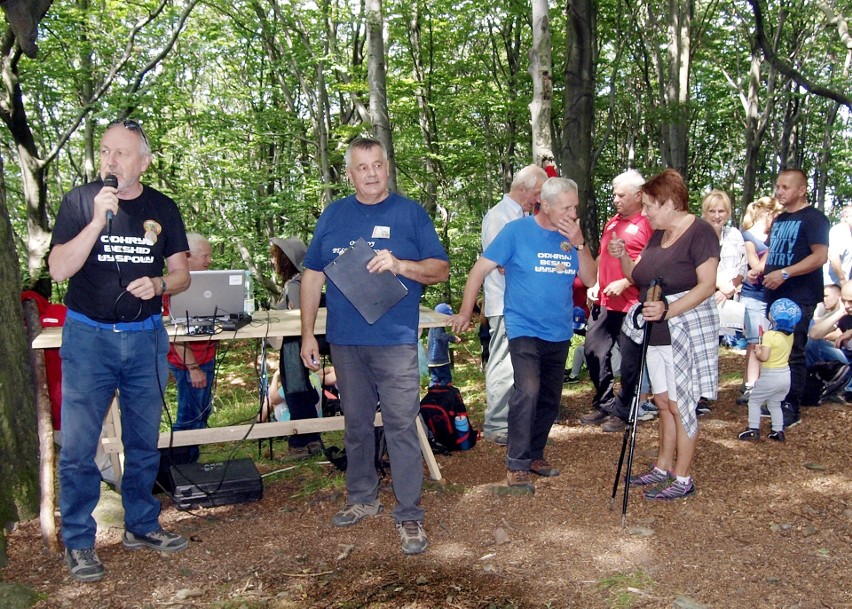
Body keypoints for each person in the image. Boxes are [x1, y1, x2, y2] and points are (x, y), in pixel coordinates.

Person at [49, 119, 191, 582]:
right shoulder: (79, 201)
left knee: (143, 440)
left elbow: (182, 276)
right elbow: (58, 269)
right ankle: (78, 541)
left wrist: (159, 284)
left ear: (143, 161)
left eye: (121, 153)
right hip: (89, 337)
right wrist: (95, 220)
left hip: (146, 336)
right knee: (78, 446)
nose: (110, 161)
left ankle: (142, 525)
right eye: (106, 152)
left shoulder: (163, 208)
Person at [299, 137, 449, 555]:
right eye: (362, 167)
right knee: (357, 425)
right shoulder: (334, 215)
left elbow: (440, 269)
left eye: (377, 165)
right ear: (349, 174)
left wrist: (401, 265)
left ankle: (409, 514)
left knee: (401, 425)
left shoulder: (410, 214)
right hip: (346, 341)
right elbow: (313, 277)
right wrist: (308, 333)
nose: (371, 173)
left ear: (387, 168)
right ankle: (362, 498)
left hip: (396, 341)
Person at [451, 177, 597, 492]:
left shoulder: (571, 238)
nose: (573, 213)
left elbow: (589, 277)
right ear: (545, 205)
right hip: (523, 327)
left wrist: (581, 243)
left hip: (558, 330)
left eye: (575, 207)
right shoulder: (517, 232)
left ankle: (535, 454)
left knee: (548, 397)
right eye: (566, 207)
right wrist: (465, 312)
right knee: (527, 390)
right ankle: (516, 464)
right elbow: (479, 269)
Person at [611, 168, 719, 500]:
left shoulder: (701, 233)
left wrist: (670, 310)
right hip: (655, 332)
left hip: (683, 331)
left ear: (670, 203)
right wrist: (624, 258)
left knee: (680, 403)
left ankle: (682, 477)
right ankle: (662, 467)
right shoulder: (659, 234)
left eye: (649, 206)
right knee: (662, 402)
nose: (645, 213)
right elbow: (639, 275)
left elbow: (707, 285)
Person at [750, 169, 829, 428]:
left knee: (793, 350)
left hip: (800, 295)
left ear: (801, 190)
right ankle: (774, 397)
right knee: (772, 348)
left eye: (785, 187)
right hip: (775, 294)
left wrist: (785, 273)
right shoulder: (780, 219)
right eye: (778, 186)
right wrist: (759, 270)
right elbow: (775, 252)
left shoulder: (814, 219)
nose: (779, 192)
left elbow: (819, 256)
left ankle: (790, 405)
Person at [580, 170, 652, 432]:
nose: (615, 199)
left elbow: (650, 262)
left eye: (621, 194)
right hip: (604, 302)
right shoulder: (612, 222)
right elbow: (603, 257)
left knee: (631, 362)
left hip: (630, 304)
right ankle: (604, 401)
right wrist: (597, 283)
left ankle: (622, 411)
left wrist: (627, 281)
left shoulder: (648, 223)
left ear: (638, 194)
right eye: (614, 194)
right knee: (593, 350)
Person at [480, 165, 548, 445]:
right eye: (537, 194)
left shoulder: (519, 215)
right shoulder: (500, 216)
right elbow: (501, 263)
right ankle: (496, 424)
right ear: (522, 189)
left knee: (518, 366)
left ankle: (513, 421)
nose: (538, 200)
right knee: (503, 364)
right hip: (503, 303)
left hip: (521, 304)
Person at [266, 236, 323, 459]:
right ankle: (312, 441)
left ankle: (300, 444)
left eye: (275, 257)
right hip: (298, 344)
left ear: (285, 260)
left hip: (295, 344)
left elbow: (299, 318)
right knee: (300, 390)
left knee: (296, 390)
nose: (273, 262)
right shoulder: (300, 282)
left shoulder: (295, 285)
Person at [166, 232, 216, 464]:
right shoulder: (172, 288)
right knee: (189, 415)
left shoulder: (206, 285)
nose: (209, 261)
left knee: (201, 413)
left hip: (206, 357)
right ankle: (179, 468)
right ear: (186, 257)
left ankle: (191, 464)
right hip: (187, 363)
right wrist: (193, 367)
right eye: (204, 256)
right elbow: (173, 334)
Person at [698, 189, 746, 415]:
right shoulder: (697, 234)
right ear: (704, 212)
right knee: (699, 346)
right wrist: (717, 285)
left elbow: (742, 268)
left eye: (722, 211)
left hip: (726, 298)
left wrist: (730, 289)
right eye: (712, 211)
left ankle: (706, 394)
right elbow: (695, 266)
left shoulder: (735, 235)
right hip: (701, 296)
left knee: (713, 347)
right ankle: (695, 394)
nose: (717, 216)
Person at [737, 197, 783, 404]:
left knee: (762, 341)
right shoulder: (748, 236)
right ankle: (752, 387)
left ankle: (752, 381)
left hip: (770, 295)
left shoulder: (773, 237)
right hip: (753, 295)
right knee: (757, 339)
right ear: (768, 214)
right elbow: (755, 265)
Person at [739, 298, 801, 443]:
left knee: (754, 401)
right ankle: (778, 430)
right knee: (775, 403)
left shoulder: (769, 335)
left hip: (770, 375)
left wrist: (757, 351)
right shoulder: (790, 335)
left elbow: (764, 357)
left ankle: (753, 428)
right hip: (785, 375)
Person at [426, 303, 462, 386]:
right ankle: (444, 395)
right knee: (445, 378)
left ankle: (434, 395)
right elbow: (439, 336)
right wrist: (453, 338)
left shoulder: (434, 325)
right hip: (439, 358)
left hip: (433, 359)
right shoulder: (437, 325)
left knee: (435, 380)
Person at [823, 205, 852, 287]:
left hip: (838, 283)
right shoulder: (840, 231)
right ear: (846, 217)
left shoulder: (848, 233)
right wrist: (842, 280)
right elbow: (833, 257)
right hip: (832, 284)